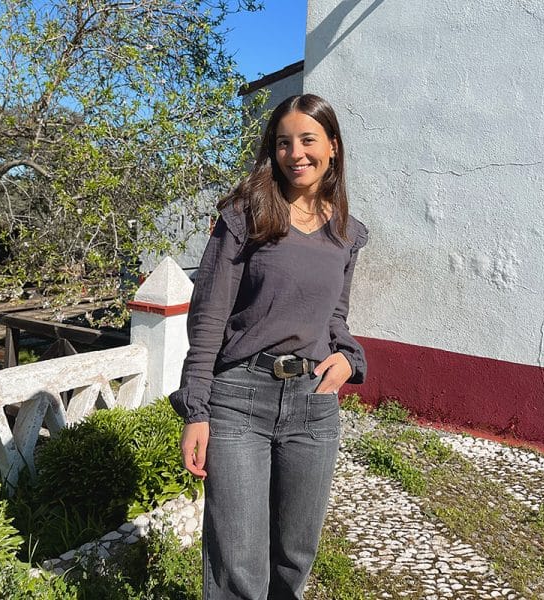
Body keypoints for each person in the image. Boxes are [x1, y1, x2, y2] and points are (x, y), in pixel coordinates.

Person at [170, 93, 368, 600]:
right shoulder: (245, 216)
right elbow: (209, 316)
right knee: (238, 565)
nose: (295, 153)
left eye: (308, 140)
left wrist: (348, 357)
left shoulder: (346, 233)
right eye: (284, 142)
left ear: (333, 148)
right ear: (272, 150)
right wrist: (197, 409)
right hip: (239, 401)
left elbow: (336, 316)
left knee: (294, 557)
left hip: (313, 406)